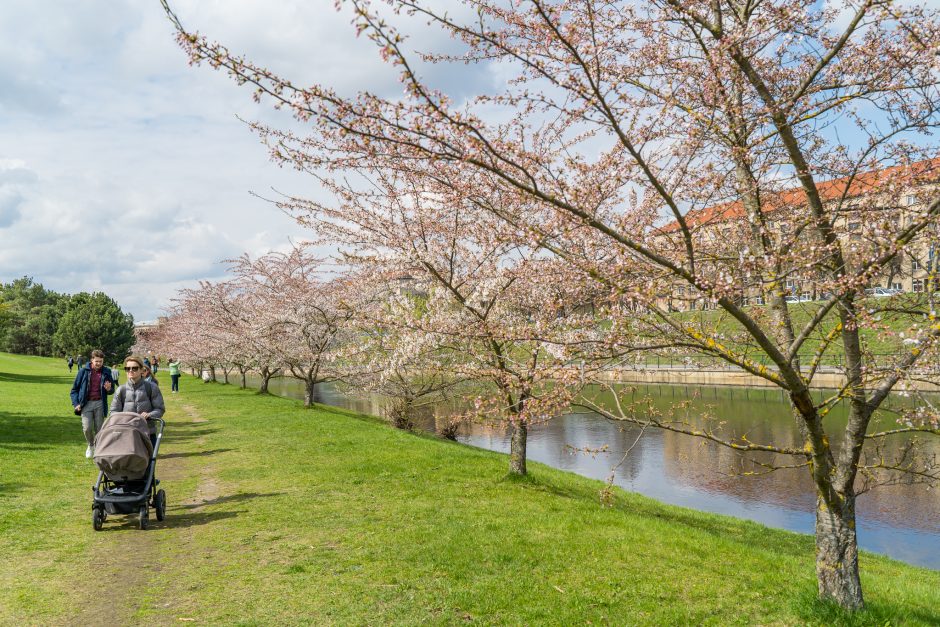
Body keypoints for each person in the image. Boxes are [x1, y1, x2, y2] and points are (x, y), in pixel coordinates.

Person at [70, 349, 116, 459]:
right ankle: (90, 445)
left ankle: (98, 448)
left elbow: (111, 389)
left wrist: (109, 389)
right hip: (86, 404)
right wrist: (76, 404)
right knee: (87, 428)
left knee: (99, 429)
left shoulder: (107, 371)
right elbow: (74, 390)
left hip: (100, 402)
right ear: (92, 360)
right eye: (97, 361)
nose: (99, 363)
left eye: (101, 361)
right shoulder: (83, 371)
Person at [111, 356, 165, 443]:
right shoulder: (121, 390)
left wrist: (149, 415)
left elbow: (160, 409)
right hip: (127, 434)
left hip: (148, 433)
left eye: (134, 368)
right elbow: (113, 412)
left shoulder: (151, 387)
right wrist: (123, 418)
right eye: (127, 368)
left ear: (141, 370)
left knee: (149, 457)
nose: (130, 371)